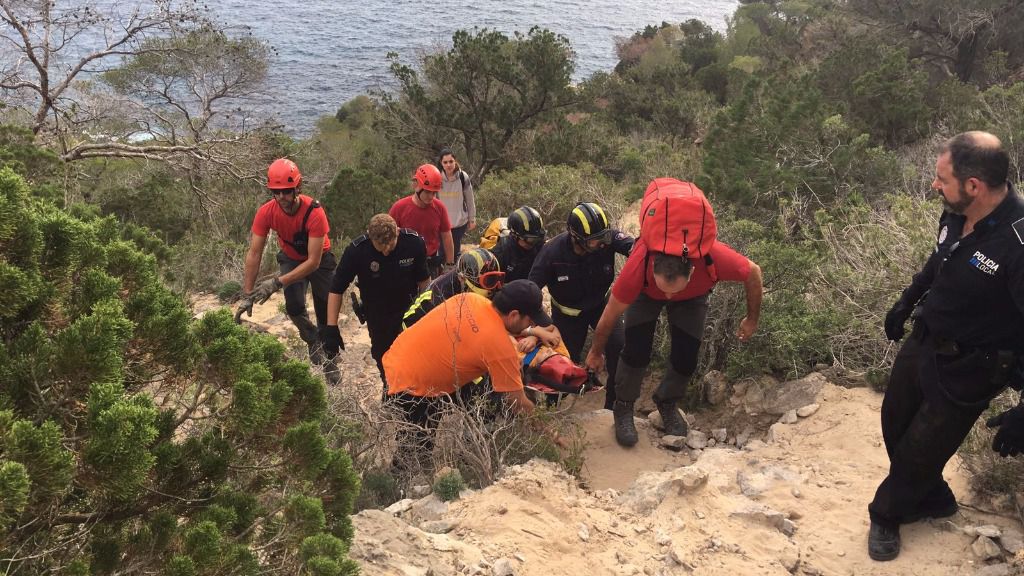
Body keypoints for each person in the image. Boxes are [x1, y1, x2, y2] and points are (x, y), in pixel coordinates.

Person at [867, 131, 1024, 562]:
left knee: (922, 447)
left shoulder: (1017, 243)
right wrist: (907, 300)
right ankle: (934, 498)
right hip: (926, 339)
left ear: (974, 185)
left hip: (974, 365)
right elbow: (940, 261)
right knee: (895, 423)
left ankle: (886, 515)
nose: (935, 185)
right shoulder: (955, 215)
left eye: (942, 178)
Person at [585, 217, 762, 448]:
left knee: (686, 354)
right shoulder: (639, 264)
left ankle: (667, 402)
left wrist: (751, 319)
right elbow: (609, 314)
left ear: (692, 271)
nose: (668, 296)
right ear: (653, 266)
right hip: (646, 293)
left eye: (674, 290)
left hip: (692, 296)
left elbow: (754, 272)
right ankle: (624, 406)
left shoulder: (713, 256)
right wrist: (596, 351)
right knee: (635, 351)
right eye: (664, 289)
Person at [383, 280, 552, 472]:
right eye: (530, 321)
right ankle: (399, 489)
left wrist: (528, 334)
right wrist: (551, 434)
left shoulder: (471, 299)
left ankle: (468, 447)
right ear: (514, 315)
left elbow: (482, 332)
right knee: (415, 451)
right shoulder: (500, 349)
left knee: (483, 388)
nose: (531, 325)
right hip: (412, 386)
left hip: (395, 358)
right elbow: (518, 403)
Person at [529, 202, 634, 409]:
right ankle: (553, 406)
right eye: (595, 241)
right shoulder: (552, 253)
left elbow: (635, 248)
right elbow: (529, 293)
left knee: (619, 346)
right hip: (567, 317)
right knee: (561, 362)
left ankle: (614, 405)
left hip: (601, 308)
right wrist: (540, 326)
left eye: (603, 237)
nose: (602, 244)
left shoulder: (604, 238)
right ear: (576, 237)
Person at [236, 158, 337, 368]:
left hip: (319, 260)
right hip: (291, 256)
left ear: (297, 188)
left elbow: (313, 262)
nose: (281, 197)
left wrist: (276, 283)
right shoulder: (266, 212)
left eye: (287, 191)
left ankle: (331, 358)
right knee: (293, 306)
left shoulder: (314, 212)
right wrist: (247, 295)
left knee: (327, 308)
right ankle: (312, 340)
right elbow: (254, 253)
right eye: (276, 191)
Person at [323, 214, 429, 391]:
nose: (386, 251)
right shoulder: (357, 251)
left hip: (409, 312)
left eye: (390, 245)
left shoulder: (413, 244)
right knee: (384, 361)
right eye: (380, 248)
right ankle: (391, 396)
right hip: (378, 316)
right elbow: (336, 289)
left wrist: (427, 313)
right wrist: (331, 328)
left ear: (397, 232)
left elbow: (424, 283)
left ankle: (408, 398)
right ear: (370, 237)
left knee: (413, 362)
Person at [390, 163, 455, 278]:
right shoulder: (399, 208)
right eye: (427, 191)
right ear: (416, 185)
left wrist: (449, 264)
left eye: (434, 193)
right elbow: (388, 236)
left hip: (431, 262)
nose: (431, 196)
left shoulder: (439, 208)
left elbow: (447, 236)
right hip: (405, 263)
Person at [492, 206, 546, 282]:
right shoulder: (501, 252)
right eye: (531, 239)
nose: (534, 243)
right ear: (515, 236)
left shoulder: (540, 246)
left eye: (538, 238)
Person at [437, 148, 476, 254]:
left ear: (455, 161)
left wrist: (472, 219)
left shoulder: (463, 177)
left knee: (455, 250)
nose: (448, 165)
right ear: (441, 163)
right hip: (442, 223)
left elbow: (469, 199)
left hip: (459, 222)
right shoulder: (437, 178)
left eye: (451, 161)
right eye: (445, 162)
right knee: (442, 252)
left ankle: (455, 270)